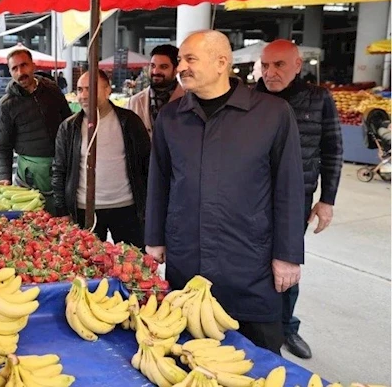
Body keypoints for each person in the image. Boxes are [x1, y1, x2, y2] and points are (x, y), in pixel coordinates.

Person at [145, 30, 305, 355]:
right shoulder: (171, 117)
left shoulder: (271, 114)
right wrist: (154, 238)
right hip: (187, 259)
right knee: (189, 357)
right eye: (180, 60)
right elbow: (159, 181)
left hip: (249, 264)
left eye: (190, 59)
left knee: (258, 360)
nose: (181, 67)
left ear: (222, 63)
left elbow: (289, 187)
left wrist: (288, 256)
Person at [255, 39, 343, 359]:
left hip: (297, 200)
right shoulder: (251, 98)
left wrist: (327, 199)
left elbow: (332, 149)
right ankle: (257, 324)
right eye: (264, 65)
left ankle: (287, 327)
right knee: (253, 263)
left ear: (297, 65)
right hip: (252, 199)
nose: (270, 72)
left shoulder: (319, 99)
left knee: (287, 262)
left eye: (278, 65)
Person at [52, 70, 150, 246]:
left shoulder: (130, 122)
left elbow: (146, 164)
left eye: (90, 89)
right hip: (84, 209)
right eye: (80, 89)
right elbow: (59, 170)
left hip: (126, 208)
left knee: (132, 264)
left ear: (107, 90)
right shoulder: (69, 128)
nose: (83, 95)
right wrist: (62, 211)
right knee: (88, 265)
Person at [0, 49, 72, 214]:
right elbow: (2, 146)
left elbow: (68, 122)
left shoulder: (52, 89)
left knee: (65, 218)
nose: (20, 72)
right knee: (36, 221)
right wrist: (4, 177)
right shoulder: (6, 105)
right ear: (10, 72)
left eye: (24, 65)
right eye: (15, 68)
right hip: (31, 174)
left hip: (61, 165)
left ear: (33, 66)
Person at [127, 44, 186, 138]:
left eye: (163, 67)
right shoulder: (134, 101)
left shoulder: (190, 99)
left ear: (176, 70)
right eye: (153, 66)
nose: (155, 71)